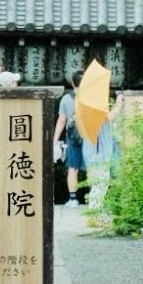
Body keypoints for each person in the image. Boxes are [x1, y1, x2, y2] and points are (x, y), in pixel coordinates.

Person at [52, 69, 84, 204]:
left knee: (73, 168)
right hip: (90, 136)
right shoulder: (92, 97)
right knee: (94, 166)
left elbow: (61, 121)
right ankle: (95, 197)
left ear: (72, 82)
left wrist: (54, 141)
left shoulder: (66, 99)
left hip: (72, 137)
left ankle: (73, 198)